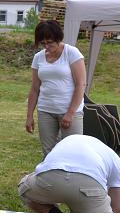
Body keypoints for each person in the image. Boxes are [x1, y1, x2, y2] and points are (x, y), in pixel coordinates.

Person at [25, 20, 86, 157]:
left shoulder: (72, 53)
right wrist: (29, 116)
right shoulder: (38, 58)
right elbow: (35, 88)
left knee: (73, 152)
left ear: (58, 38)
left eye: (50, 42)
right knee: (49, 153)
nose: (46, 46)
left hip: (70, 112)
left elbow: (80, 85)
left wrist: (70, 113)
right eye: (43, 43)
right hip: (45, 110)